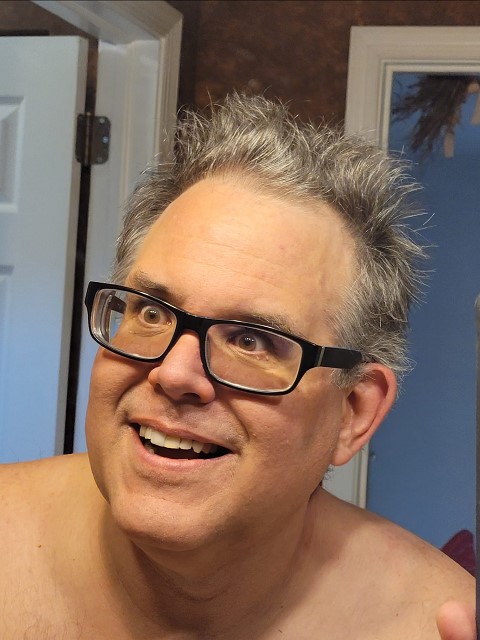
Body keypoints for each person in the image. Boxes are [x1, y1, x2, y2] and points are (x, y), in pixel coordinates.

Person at [0, 94, 475, 639]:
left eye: (252, 341)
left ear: (353, 413)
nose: (174, 374)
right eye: (152, 313)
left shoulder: (430, 623)